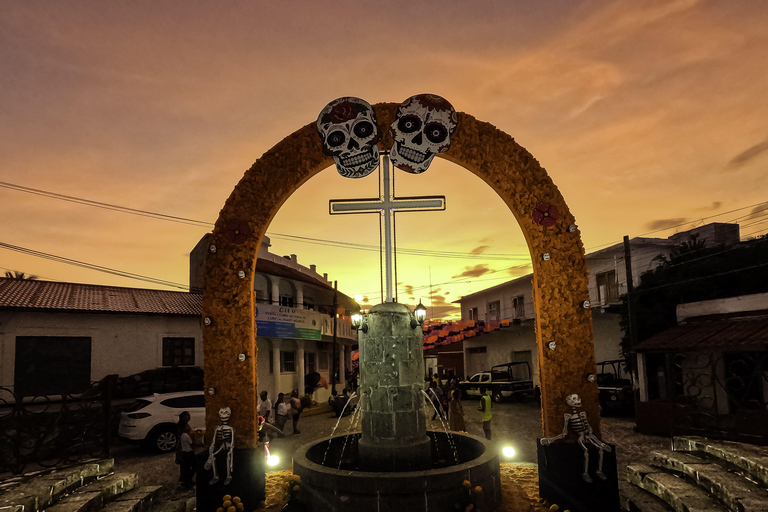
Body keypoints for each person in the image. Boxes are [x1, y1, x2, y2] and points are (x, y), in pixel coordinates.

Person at [176, 411, 195, 488]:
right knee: (185, 465)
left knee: (184, 465)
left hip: (183, 448)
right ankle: (185, 480)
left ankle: (184, 479)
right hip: (184, 449)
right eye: (187, 416)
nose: (189, 417)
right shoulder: (182, 429)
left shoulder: (185, 426)